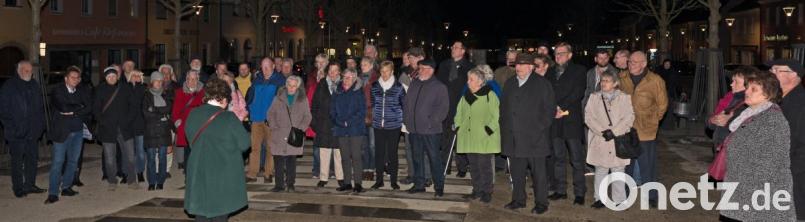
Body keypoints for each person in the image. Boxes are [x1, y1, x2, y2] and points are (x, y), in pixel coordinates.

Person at [720, 71, 796, 221]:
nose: (746, 91)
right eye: (747, 87)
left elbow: (771, 162)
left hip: (760, 194)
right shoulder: (749, 114)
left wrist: (751, 192)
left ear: (767, 94)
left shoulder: (772, 120)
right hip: (742, 188)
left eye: (753, 89)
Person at [184, 78, 250, 222]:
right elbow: (245, 144)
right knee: (220, 212)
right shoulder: (229, 117)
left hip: (198, 169)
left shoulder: (193, 114)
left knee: (201, 211)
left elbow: (190, 139)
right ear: (224, 99)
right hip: (222, 172)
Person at [500, 53, 556, 214]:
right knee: (517, 172)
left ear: (531, 67)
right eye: (517, 64)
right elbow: (503, 108)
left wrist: (539, 128)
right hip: (513, 138)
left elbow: (549, 110)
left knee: (539, 174)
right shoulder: (510, 83)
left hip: (535, 138)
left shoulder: (542, 84)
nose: (518, 67)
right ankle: (518, 200)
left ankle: (541, 203)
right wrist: (504, 128)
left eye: (523, 65)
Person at [619, 51, 668, 207]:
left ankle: (651, 196)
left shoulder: (655, 81)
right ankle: (624, 194)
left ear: (644, 64)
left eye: (634, 62)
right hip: (626, 129)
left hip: (646, 130)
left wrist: (653, 120)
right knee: (626, 164)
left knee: (648, 165)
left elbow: (662, 105)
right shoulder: (622, 78)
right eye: (629, 62)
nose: (631, 65)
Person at [583, 71, 634, 209]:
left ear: (615, 83)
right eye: (602, 80)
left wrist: (614, 132)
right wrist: (602, 132)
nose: (603, 83)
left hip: (619, 140)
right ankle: (600, 198)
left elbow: (629, 117)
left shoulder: (624, 98)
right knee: (601, 171)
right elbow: (588, 117)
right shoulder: (594, 97)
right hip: (601, 140)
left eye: (607, 81)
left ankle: (620, 199)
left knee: (618, 170)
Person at [546, 42, 589, 205]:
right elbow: (547, 93)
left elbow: (578, 92)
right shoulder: (550, 72)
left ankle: (579, 193)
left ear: (570, 55)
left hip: (571, 121)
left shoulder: (579, 71)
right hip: (555, 121)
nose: (558, 56)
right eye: (556, 53)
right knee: (558, 157)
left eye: (561, 53)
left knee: (576, 159)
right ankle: (560, 190)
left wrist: (560, 107)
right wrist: (552, 108)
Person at [454, 65, 500, 203]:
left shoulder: (489, 95)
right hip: (468, 137)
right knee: (473, 166)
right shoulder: (466, 96)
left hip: (484, 138)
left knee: (484, 166)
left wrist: (488, 130)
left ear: (480, 82)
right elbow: (459, 113)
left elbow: (496, 115)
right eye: (468, 79)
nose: (468, 82)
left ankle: (487, 191)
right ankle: (477, 189)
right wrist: (458, 126)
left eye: (471, 79)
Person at [45, 66, 91, 203]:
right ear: (66, 78)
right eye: (72, 77)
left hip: (77, 131)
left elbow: (89, 107)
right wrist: (79, 107)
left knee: (73, 161)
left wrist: (74, 110)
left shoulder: (82, 91)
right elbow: (63, 107)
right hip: (61, 131)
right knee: (58, 162)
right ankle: (53, 193)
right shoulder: (57, 90)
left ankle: (66, 187)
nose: (75, 80)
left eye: (78, 78)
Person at [403, 59, 449, 197]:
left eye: (422, 68)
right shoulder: (415, 83)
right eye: (419, 68)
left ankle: (439, 187)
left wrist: (431, 122)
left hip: (431, 131)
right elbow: (407, 103)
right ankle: (419, 185)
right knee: (416, 158)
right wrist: (407, 119)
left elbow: (443, 109)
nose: (419, 71)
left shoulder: (439, 87)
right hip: (414, 129)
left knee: (434, 158)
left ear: (430, 70)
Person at [769, 59, 805, 220]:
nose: (772, 73)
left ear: (793, 75)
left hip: (793, 177)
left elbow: (801, 144)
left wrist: (787, 172)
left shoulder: (799, 103)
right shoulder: (779, 100)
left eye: (777, 70)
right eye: (772, 70)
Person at [94, 67, 138, 190]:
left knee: (130, 156)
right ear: (105, 78)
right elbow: (96, 109)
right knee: (109, 159)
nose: (112, 78)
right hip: (108, 129)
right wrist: (103, 122)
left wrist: (128, 120)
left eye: (113, 76)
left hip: (125, 128)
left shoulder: (125, 88)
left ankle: (132, 180)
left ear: (117, 77)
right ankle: (112, 181)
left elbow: (133, 106)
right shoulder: (100, 90)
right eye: (109, 77)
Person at [437, 40, 476, 177]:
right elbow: (439, 84)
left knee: (461, 138)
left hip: (461, 105)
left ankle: (462, 167)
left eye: (456, 47)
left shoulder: (470, 67)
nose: (453, 49)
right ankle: (444, 165)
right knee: (445, 138)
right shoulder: (444, 65)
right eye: (452, 47)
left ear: (463, 51)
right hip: (445, 106)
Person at [245, 57, 286, 183]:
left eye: (267, 66)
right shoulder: (257, 80)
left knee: (270, 148)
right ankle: (252, 173)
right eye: (263, 67)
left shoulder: (280, 80)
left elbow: (282, 100)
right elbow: (250, 97)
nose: (265, 69)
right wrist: (249, 110)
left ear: (273, 66)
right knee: (254, 147)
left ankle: (268, 173)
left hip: (271, 120)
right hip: (256, 118)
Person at [267, 75, 311, 193]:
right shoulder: (278, 98)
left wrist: (301, 129)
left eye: (294, 86)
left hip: (294, 134)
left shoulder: (303, 99)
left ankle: (290, 184)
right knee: (278, 160)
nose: (291, 88)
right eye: (289, 85)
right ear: (286, 85)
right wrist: (274, 126)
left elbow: (307, 116)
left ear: (297, 87)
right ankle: (279, 185)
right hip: (279, 133)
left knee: (291, 160)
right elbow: (270, 114)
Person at [369, 61, 406, 190]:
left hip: (394, 126)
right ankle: (379, 180)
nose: (384, 74)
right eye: (382, 71)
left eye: (387, 71)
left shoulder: (398, 87)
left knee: (392, 154)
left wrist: (401, 121)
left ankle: (393, 181)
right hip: (378, 125)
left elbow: (404, 105)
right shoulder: (374, 86)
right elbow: (373, 104)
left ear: (392, 71)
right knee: (379, 153)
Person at [332, 68, 368, 193]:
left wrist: (349, 122)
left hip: (355, 129)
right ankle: (347, 183)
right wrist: (339, 121)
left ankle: (358, 184)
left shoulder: (358, 91)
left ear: (355, 78)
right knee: (345, 157)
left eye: (349, 77)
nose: (346, 79)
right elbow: (332, 111)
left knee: (356, 156)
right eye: (345, 77)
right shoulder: (337, 91)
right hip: (341, 128)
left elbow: (362, 111)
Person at [399, 48, 430, 186]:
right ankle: (412, 174)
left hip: (422, 117)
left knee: (423, 148)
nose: (410, 60)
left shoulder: (426, 73)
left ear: (421, 58)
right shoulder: (404, 74)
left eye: (413, 57)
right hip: (407, 117)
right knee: (409, 148)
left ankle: (427, 176)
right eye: (409, 57)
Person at [312, 62, 345, 187]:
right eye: (330, 70)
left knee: (338, 151)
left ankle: (340, 177)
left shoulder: (343, 85)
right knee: (324, 151)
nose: (332, 73)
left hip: (338, 124)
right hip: (323, 123)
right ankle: (323, 177)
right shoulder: (321, 84)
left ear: (339, 72)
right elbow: (314, 104)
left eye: (335, 70)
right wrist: (314, 123)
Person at [708, 66, 755, 155]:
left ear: (748, 84)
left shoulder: (753, 103)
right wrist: (713, 120)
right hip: (721, 147)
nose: (731, 84)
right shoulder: (730, 96)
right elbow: (712, 121)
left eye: (736, 82)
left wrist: (728, 120)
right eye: (732, 81)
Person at [142, 71, 173, 191]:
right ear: (152, 82)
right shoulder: (146, 96)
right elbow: (146, 113)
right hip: (150, 130)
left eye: (161, 81)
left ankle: (160, 181)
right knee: (150, 158)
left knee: (162, 157)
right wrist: (161, 113)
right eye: (156, 81)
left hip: (164, 131)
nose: (159, 83)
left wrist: (154, 110)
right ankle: (151, 181)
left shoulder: (166, 94)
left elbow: (168, 108)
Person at [172, 70, 205, 172]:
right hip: (186, 124)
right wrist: (177, 121)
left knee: (199, 149)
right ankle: (188, 172)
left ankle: (198, 170)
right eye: (190, 79)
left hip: (199, 124)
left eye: (194, 79)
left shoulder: (203, 92)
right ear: (186, 80)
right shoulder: (179, 92)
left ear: (198, 79)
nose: (192, 81)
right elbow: (175, 110)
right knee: (188, 149)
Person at [306, 53, 329, 179]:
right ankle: (316, 169)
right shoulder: (311, 76)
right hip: (315, 114)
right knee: (316, 145)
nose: (320, 65)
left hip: (327, 115)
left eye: (322, 62)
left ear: (326, 63)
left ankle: (328, 170)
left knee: (328, 144)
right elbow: (308, 93)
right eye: (318, 62)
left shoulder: (331, 74)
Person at [360, 57, 380, 181]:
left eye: (365, 64)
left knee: (373, 145)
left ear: (371, 65)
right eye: (361, 64)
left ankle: (372, 169)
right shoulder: (358, 78)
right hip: (361, 114)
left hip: (373, 113)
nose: (363, 66)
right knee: (363, 145)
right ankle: (364, 168)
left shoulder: (376, 78)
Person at [129, 70, 147, 183]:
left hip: (140, 124)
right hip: (129, 124)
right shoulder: (125, 89)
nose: (136, 78)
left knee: (140, 151)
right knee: (130, 152)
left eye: (138, 76)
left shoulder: (144, 90)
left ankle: (140, 172)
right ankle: (129, 173)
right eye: (134, 76)